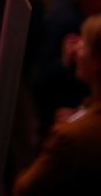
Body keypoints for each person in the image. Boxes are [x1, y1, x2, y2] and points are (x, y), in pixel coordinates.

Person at [15, 14, 101, 195]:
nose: (76, 48)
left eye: (84, 43)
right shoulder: (83, 118)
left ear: (97, 62)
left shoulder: (68, 138)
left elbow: (23, 188)